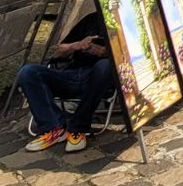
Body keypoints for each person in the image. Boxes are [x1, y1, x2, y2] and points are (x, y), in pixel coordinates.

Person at [17, 9, 116, 153]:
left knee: (105, 65)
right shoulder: (90, 19)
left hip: (100, 78)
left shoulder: (125, 22)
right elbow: (58, 51)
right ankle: (54, 128)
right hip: (72, 74)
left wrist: (105, 52)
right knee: (28, 72)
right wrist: (77, 45)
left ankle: (78, 127)